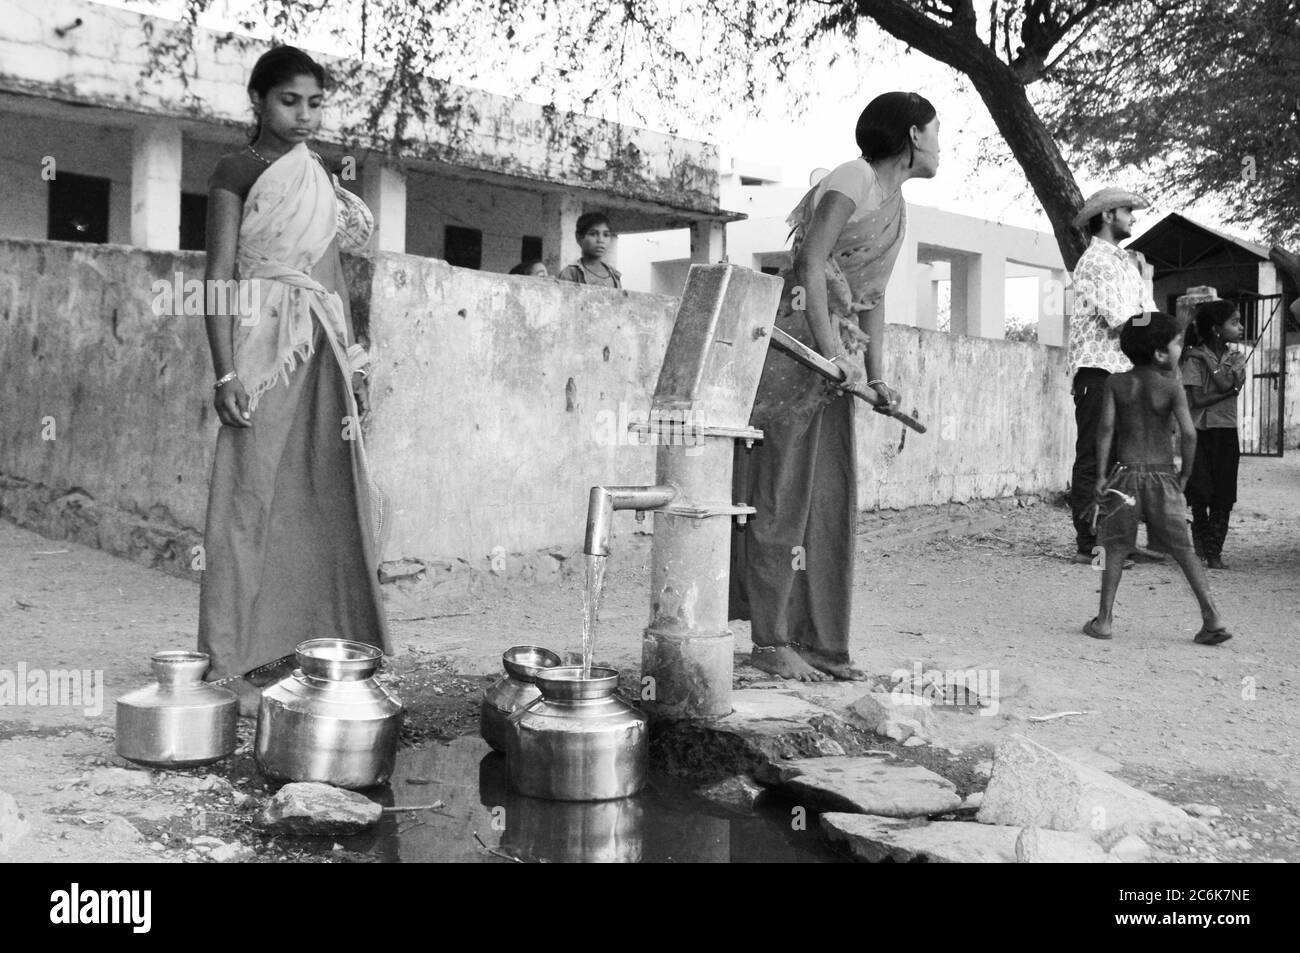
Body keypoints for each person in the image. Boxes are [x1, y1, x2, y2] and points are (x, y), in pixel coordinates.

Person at [198, 45, 391, 715]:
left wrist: (355, 364)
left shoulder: (317, 177)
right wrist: (225, 369)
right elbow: (218, 276)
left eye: (316, 102)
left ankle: (312, 642)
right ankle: (226, 660)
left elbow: (335, 277)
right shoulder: (237, 169)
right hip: (259, 338)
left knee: (324, 484)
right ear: (257, 100)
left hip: (321, 343)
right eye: (290, 100)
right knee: (246, 493)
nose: (304, 115)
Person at [729, 91, 936, 682]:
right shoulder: (855, 176)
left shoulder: (897, 204)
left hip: (837, 359)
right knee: (781, 493)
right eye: (937, 132)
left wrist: (878, 374)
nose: (941, 145)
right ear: (914, 135)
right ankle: (769, 642)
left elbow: (870, 296)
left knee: (826, 498)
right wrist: (827, 352)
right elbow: (813, 262)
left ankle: (818, 641)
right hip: (797, 348)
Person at [1084, 312, 1231, 645]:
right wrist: (1186, 473)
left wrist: (1102, 475)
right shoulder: (1171, 385)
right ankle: (1212, 617)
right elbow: (1189, 435)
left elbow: (1105, 429)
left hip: (1124, 478)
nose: (1182, 348)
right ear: (1161, 354)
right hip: (1163, 478)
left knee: (1114, 548)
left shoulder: (1116, 383)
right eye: (1178, 343)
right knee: (1184, 550)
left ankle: (1104, 621)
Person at [1067, 187, 1159, 566]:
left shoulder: (1125, 264)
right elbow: (1126, 318)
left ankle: (1115, 537)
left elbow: (1146, 313)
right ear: (1107, 216)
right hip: (1098, 370)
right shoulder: (1095, 263)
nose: (1133, 217)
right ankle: (1090, 541)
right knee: (1094, 455)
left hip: (1121, 371)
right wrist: (1159, 331)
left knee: (1124, 458)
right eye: (1127, 211)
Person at [1181, 300, 1246, 568]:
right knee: (1200, 492)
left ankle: (1215, 552)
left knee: (1223, 494)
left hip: (1226, 431)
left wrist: (1206, 358)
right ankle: (1201, 549)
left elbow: (1221, 383)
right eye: (1235, 322)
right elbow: (1197, 400)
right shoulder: (1191, 359)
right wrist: (1228, 393)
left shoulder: (1236, 356)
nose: (1241, 327)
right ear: (1217, 329)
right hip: (1199, 431)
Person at [556, 213, 622, 288]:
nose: (601, 240)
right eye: (593, 234)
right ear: (579, 238)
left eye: (606, 235)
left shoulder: (614, 275)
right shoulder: (571, 273)